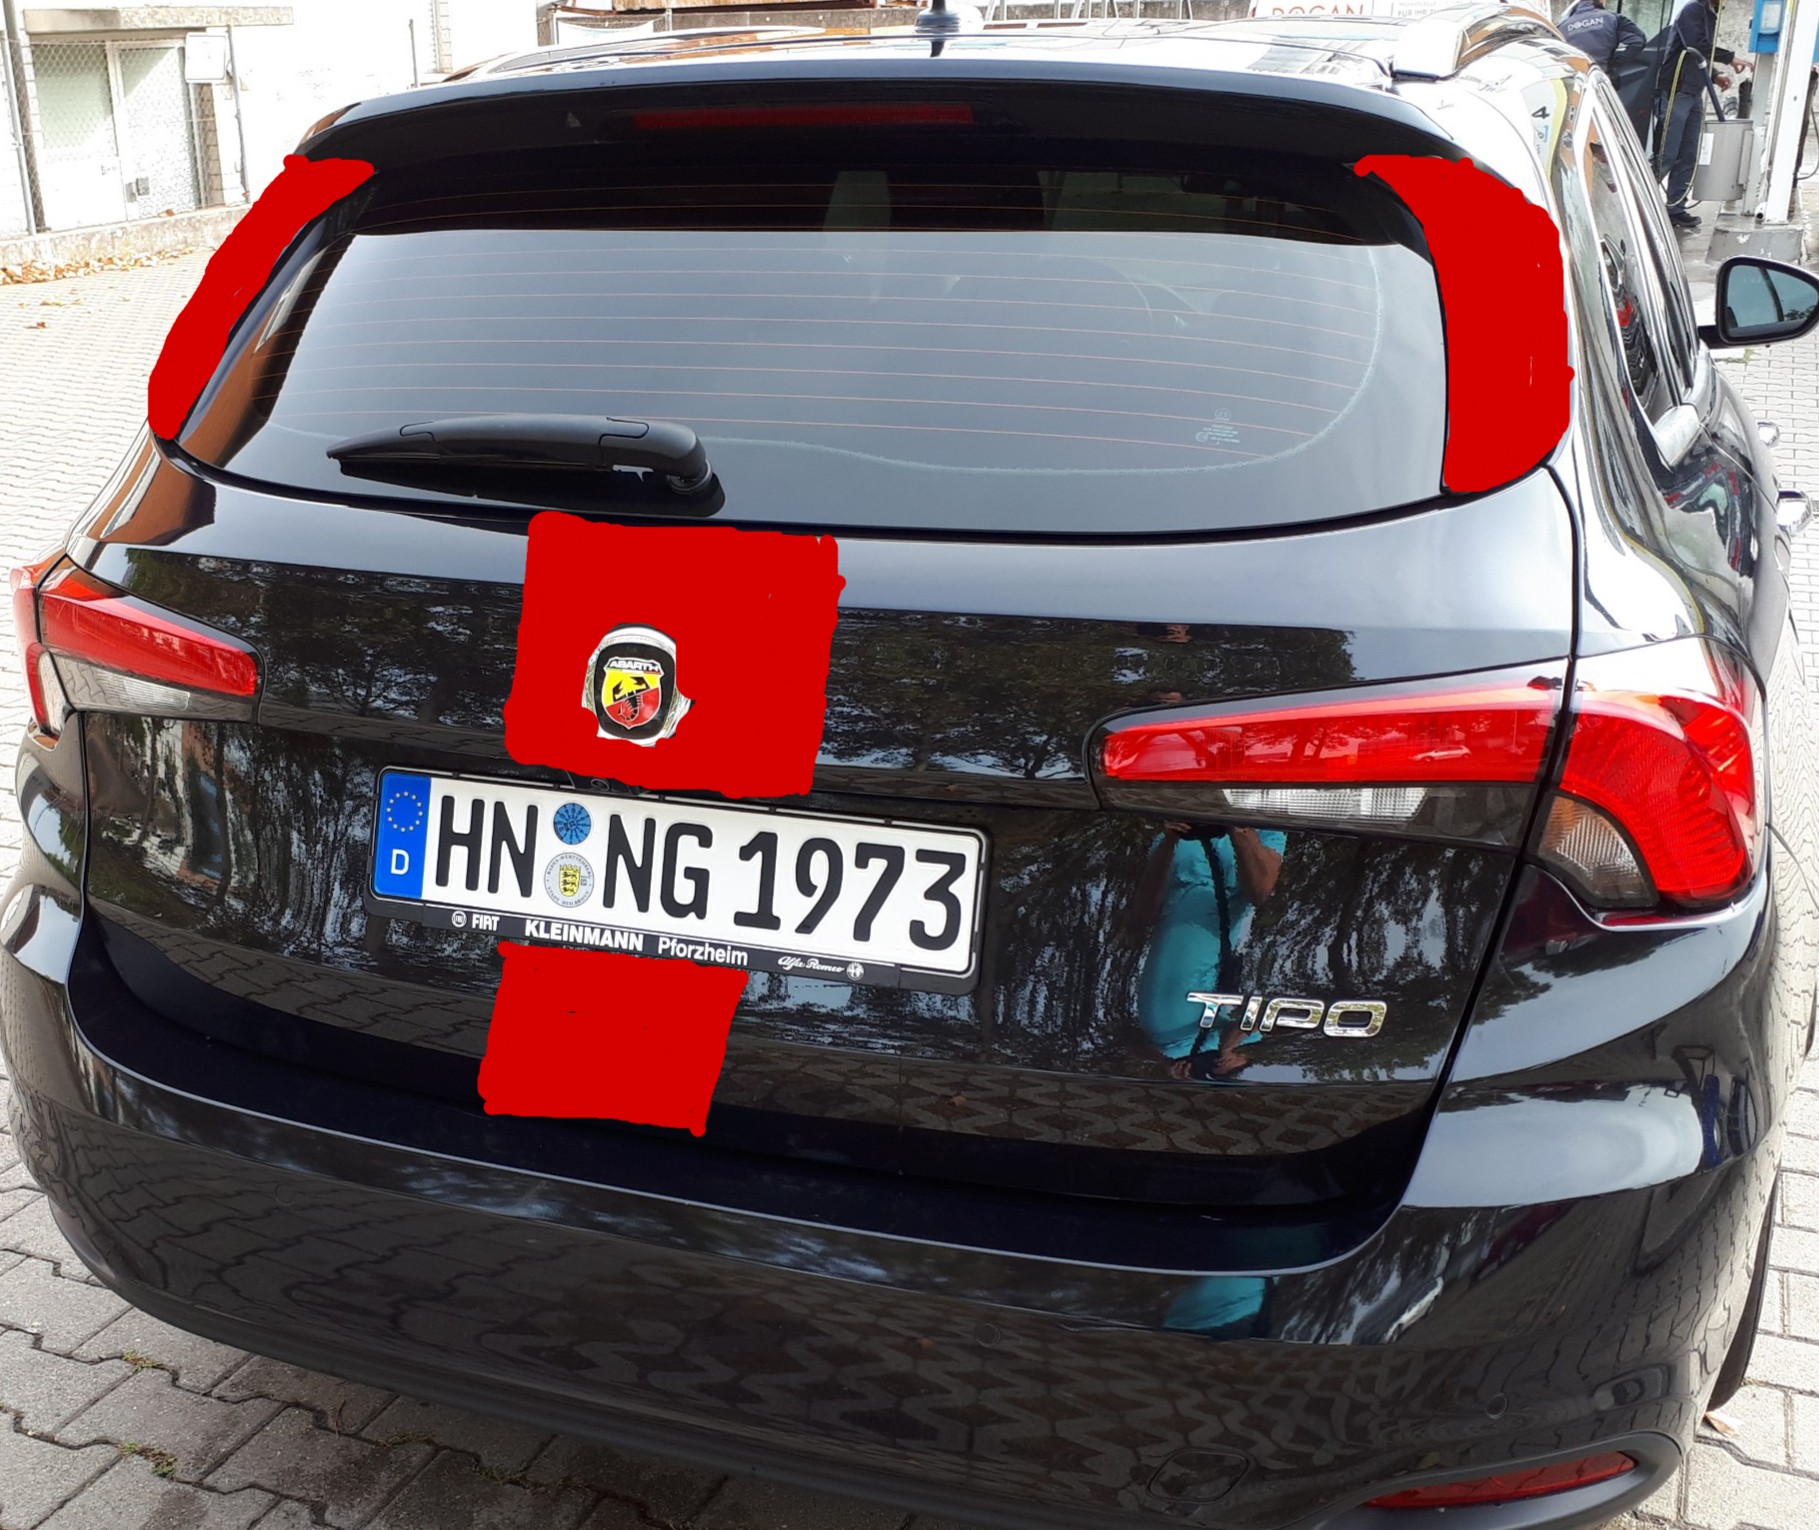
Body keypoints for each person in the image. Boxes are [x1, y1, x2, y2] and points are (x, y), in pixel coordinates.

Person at [1656, 0, 1751, 231]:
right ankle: (1638, 201)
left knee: (1688, 154)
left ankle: (1675, 208)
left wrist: (1715, 75)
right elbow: (1696, 46)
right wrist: (1730, 58)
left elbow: (1699, 56)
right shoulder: (1693, 10)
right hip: (1677, 89)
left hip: (1694, 90)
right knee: (1666, 154)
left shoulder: (1709, 13)